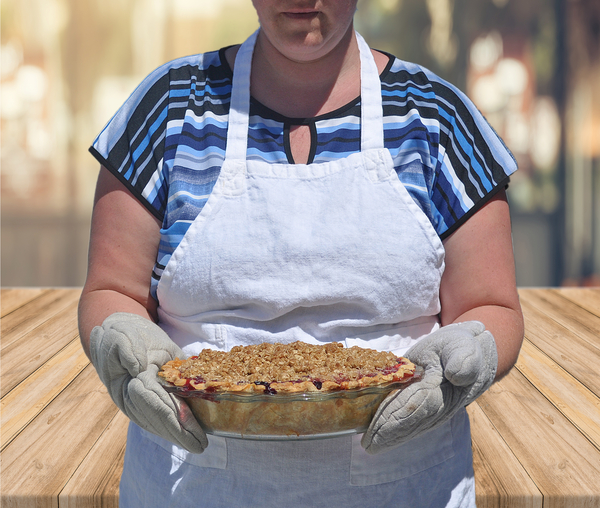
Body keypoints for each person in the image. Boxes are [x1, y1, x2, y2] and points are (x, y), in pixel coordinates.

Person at [78, 1, 524, 507]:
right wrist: (119, 338)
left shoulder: (438, 119)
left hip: (405, 485)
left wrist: (474, 353)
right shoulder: (169, 109)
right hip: (195, 486)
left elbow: (492, 304)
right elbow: (112, 288)